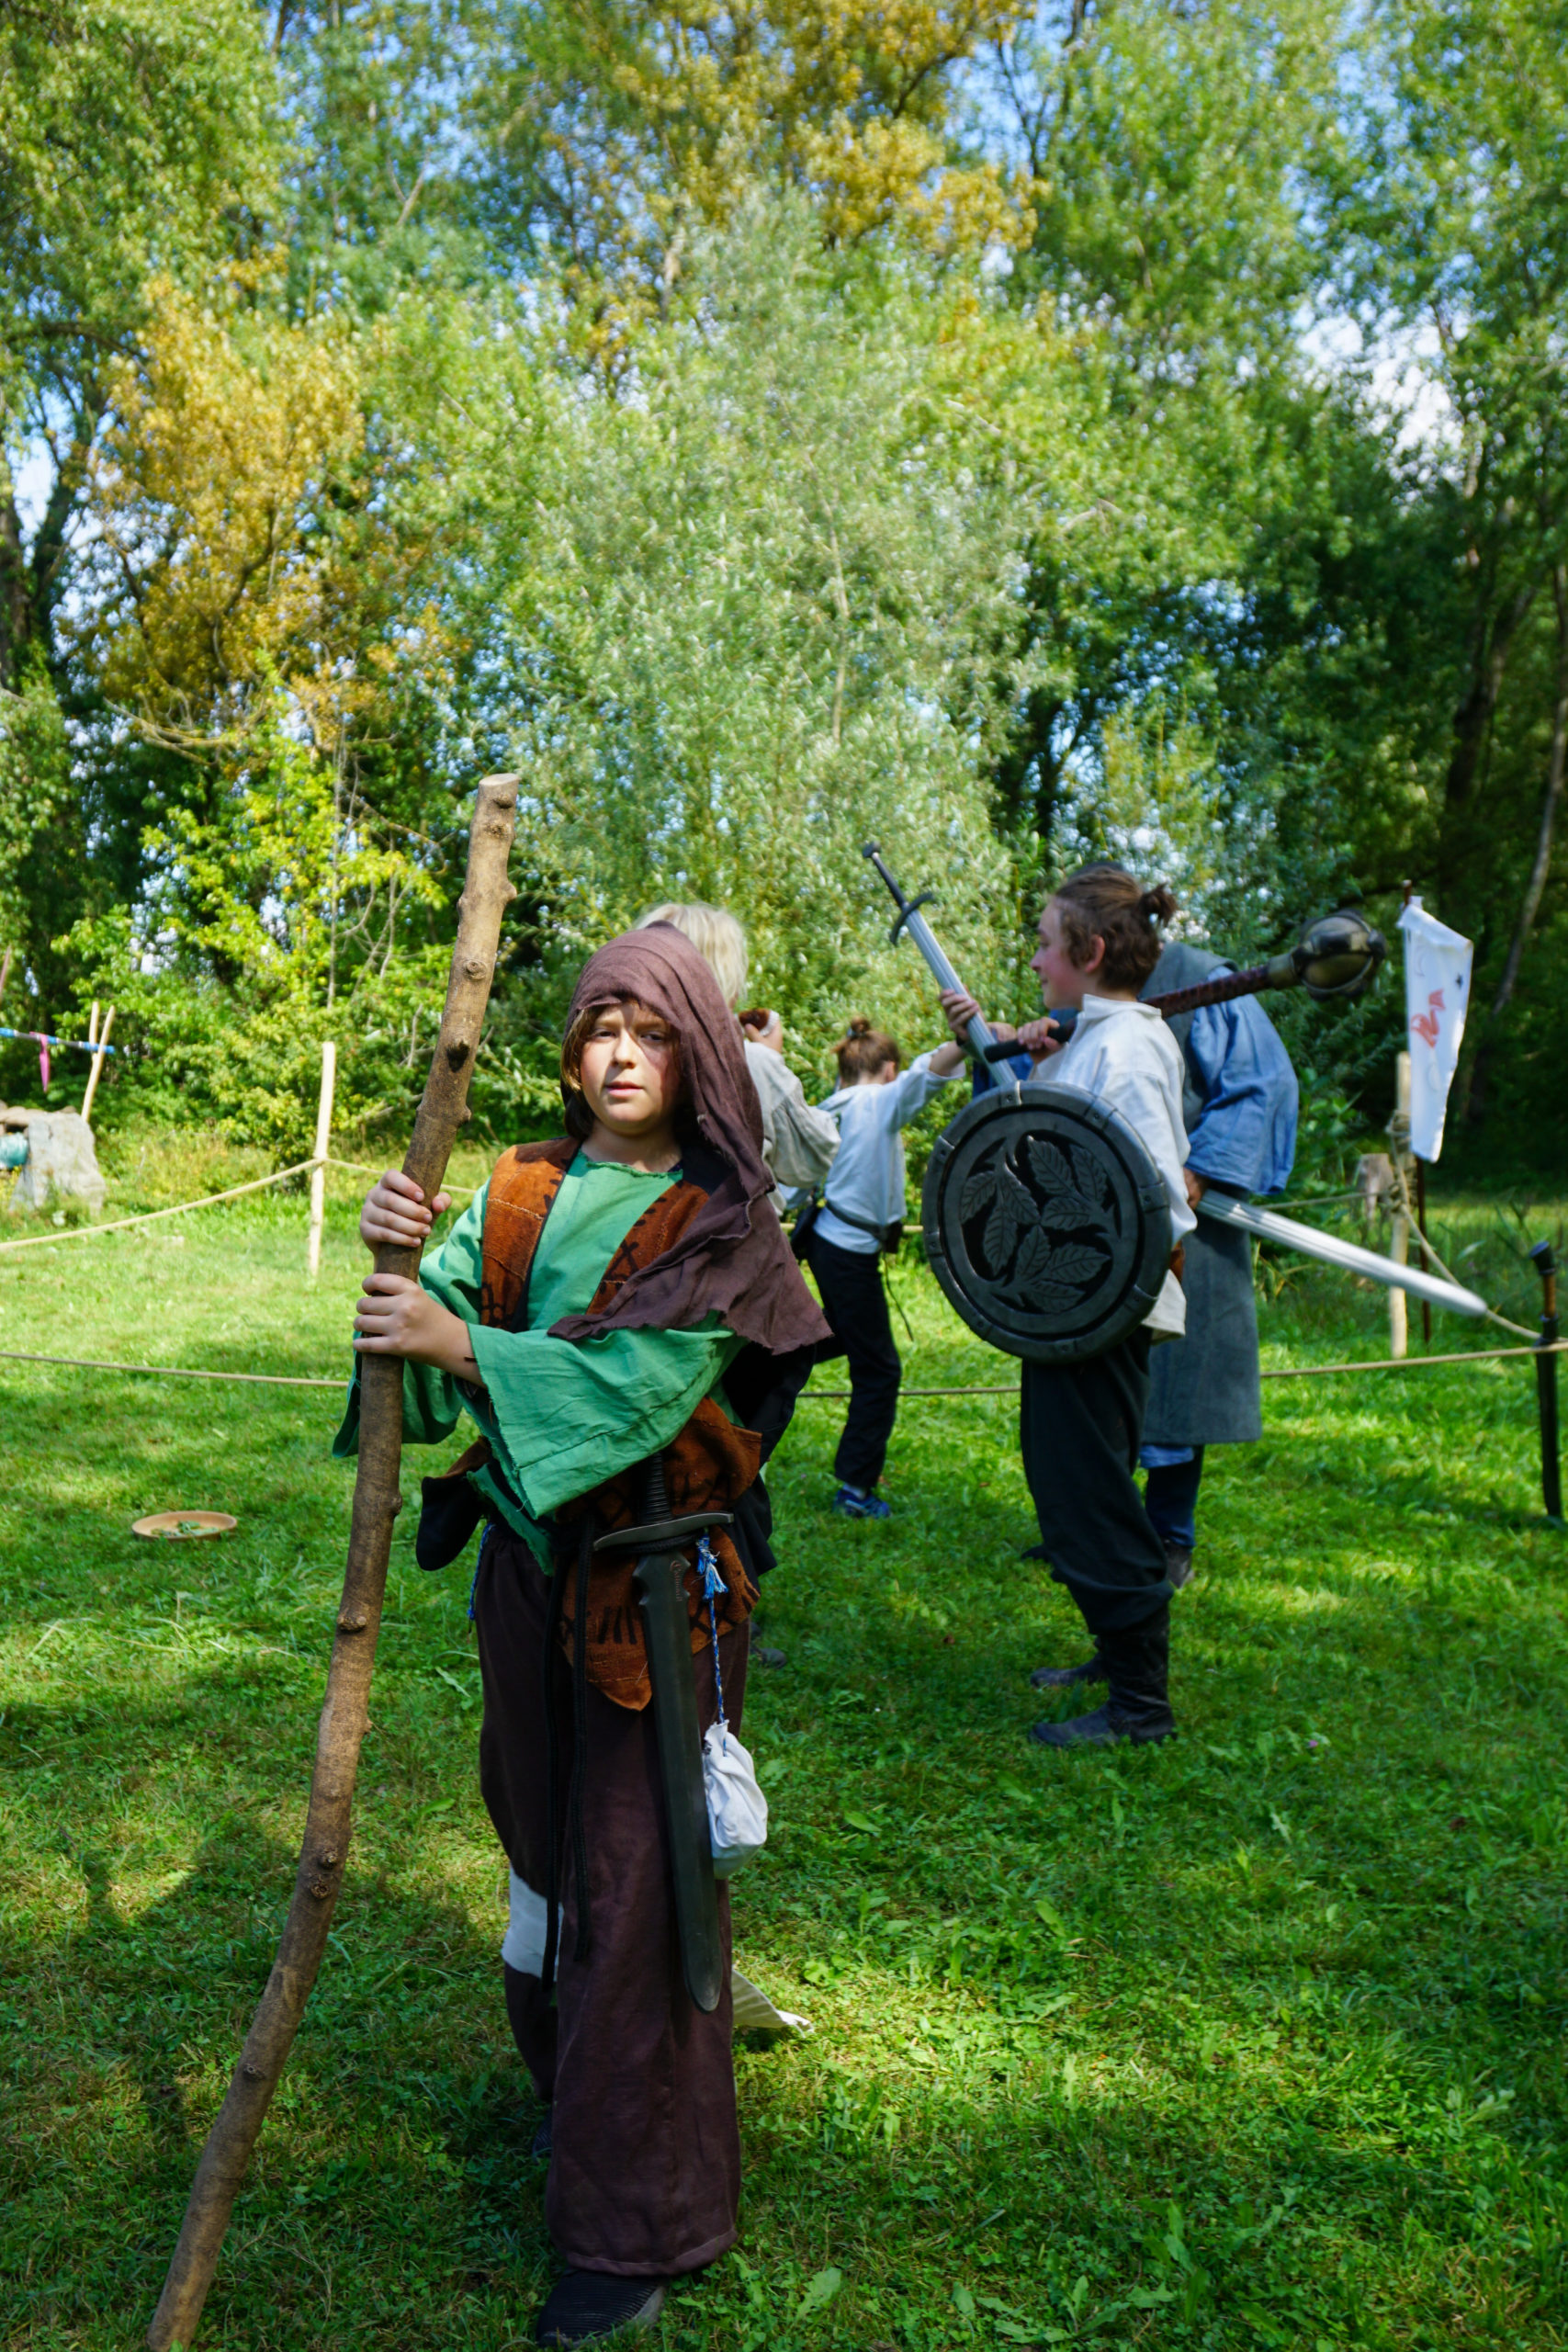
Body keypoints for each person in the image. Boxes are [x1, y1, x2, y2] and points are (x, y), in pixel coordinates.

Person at [336, 922, 827, 2347]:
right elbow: (425, 1323)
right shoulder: (521, 1187)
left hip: (651, 1602)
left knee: (637, 1881)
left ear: (703, 1055)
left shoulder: (725, 1222)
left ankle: (636, 2229)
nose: (621, 1054)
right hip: (528, 1572)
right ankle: (580, 2104)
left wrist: (465, 1351)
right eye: (601, 1027)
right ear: (568, 1051)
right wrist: (398, 1268)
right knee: (545, 1857)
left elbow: (636, 1388)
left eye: (653, 1033)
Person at [940, 865, 1193, 1747]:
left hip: (1098, 1314)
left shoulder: (1126, 1050)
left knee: (1084, 1497)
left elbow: (1154, 1201)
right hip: (1076, 1312)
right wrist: (1042, 1065)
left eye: (1046, 943)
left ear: (1089, 951)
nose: (1036, 960)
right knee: (1087, 1485)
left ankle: (1140, 1707)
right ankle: (1115, 1660)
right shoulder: (1098, 1040)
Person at [1134, 935, 1298, 1583]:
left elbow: (1261, 1082)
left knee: (1182, 1375)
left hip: (1193, 1213)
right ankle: (1097, 1526)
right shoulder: (1085, 987)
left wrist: (1201, 1168)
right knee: (1099, 1375)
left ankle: (1169, 1536)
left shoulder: (1199, 979)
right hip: (1109, 1216)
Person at [806, 1016, 964, 1519]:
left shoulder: (826, 1110)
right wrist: (966, 1039)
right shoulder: (878, 1103)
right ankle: (855, 1491)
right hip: (847, 1253)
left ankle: (756, 1365)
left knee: (835, 1336)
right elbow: (929, 1074)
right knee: (879, 1370)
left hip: (831, 1246)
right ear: (889, 1069)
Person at [633, 901, 840, 1203]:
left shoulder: (622, 1053)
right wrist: (770, 1060)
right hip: (734, 1229)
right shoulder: (751, 1062)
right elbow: (814, 1157)